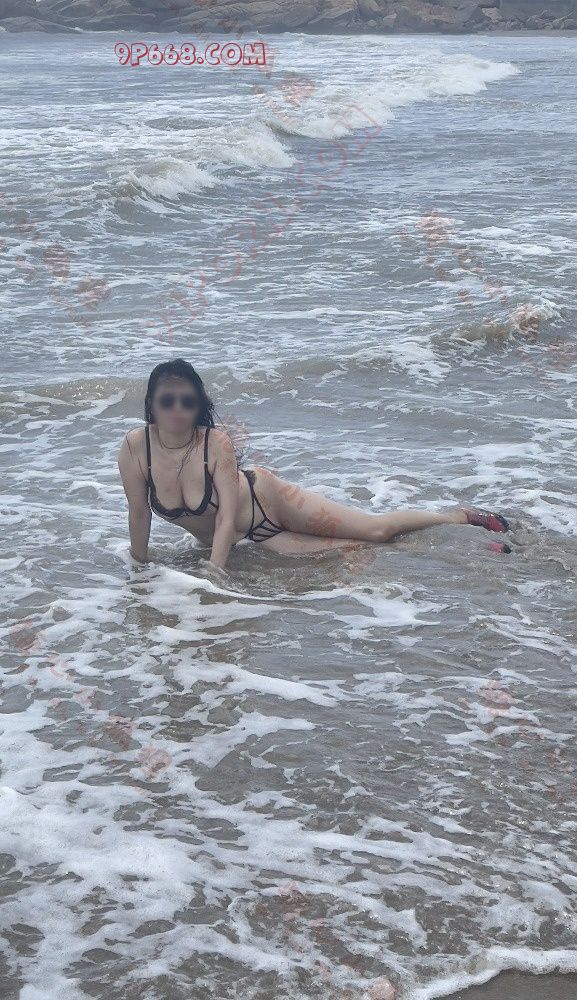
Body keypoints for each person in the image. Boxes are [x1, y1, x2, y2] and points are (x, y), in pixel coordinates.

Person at [117, 358, 510, 576]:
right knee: (352, 550)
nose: (177, 409)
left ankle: (458, 518)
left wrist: (215, 572)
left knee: (376, 530)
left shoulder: (214, 443)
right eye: (167, 400)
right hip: (256, 536)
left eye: (188, 401)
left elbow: (224, 517)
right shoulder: (136, 449)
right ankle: (461, 550)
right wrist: (139, 568)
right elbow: (139, 513)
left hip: (269, 501)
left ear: (199, 405)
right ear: (151, 404)